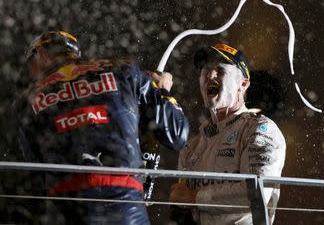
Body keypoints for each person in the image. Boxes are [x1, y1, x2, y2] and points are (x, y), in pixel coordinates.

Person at [14, 30, 190, 224]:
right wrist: (162, 90)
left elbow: (34, 168)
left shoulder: (25, 101)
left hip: (68, 207)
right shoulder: (123, 69)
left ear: (41, 55)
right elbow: (177, 134)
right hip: (125, 202)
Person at [169, 43, 286, 225]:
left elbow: (256, 193)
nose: (210, 75)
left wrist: (195, 198)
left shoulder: (260, 130)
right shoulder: (191, 146)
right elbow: (180, 203)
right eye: (205, 70)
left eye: (220, 70)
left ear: (243, 84)